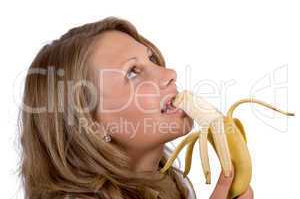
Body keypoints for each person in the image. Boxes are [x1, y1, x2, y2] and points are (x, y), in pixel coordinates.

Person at [18, 16, 253, 199]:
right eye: (132, 72)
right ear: (90, 124)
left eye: (151, 60)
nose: (169, 74)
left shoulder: (175, 185)